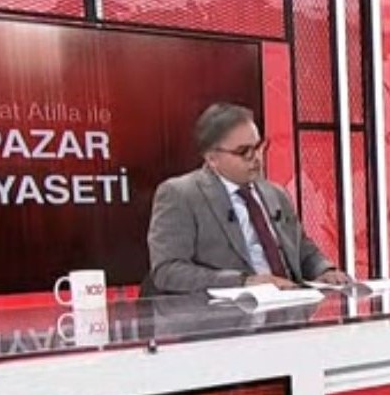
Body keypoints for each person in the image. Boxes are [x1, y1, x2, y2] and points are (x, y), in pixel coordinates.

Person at [144, 103, 351, 295]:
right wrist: (244, 282)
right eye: (244, 152)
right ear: (212, 158)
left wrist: (323, 270)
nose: (256, 158)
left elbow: (302, 249)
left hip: (291, 304)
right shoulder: (181, 194)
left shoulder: (275, 193)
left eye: (259, 146)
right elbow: (167, 271)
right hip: (227, 315)